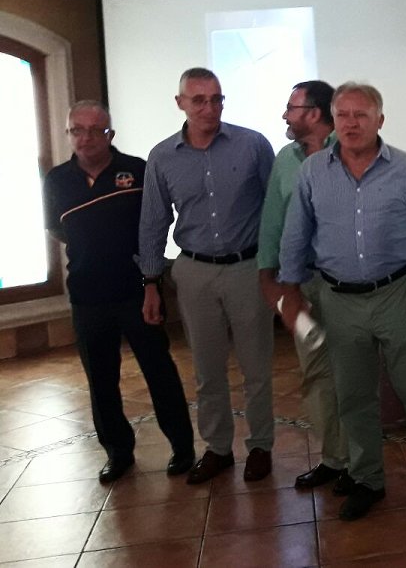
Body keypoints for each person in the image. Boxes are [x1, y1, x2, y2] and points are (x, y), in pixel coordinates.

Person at [277, 82, 406, 522]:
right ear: (332, 120)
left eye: (362, 114)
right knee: (354, 398)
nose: (352, 123)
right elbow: (296, 235)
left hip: (398, 293)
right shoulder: (314, 172)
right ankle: (368, 480)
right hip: (338, 299)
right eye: (344, 114)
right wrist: (291, 292)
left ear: (380, 120)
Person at [43, 101, 195, 484]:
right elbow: (58, 231)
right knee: (101, 379)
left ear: (110, 134)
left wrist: (151, 284)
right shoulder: (57, 179)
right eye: (77, 130)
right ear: (69, 134)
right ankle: (118, 452)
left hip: (137, 292)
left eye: (95, 130)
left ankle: (182, 446)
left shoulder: (138, 170)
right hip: (87, 296)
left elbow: (153, 229)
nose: (86, 138)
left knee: (159, 371)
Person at [139, 68, 276, 485]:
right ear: (180, 103)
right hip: (194, 272)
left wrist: (279, 269)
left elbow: (277, 210)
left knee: (257, 366)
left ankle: (261, 446)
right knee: (207, 368)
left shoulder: (253, 145)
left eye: (216, 99)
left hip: (248, 268)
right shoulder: (163, 157)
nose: (209, 107)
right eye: (198, 100)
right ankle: (217, 448)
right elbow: (153, 221)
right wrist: (150, 281)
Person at [256, 80, 351, 493]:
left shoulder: (350, 151)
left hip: (348, 285)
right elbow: (272, 220)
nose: (285, 116)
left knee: (354, 375)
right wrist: (268, 275)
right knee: (315, 373)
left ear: (313, 112)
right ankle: (335, 459)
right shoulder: (286, 160)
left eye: (291, 108)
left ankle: (363, 465)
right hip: (299, 285)